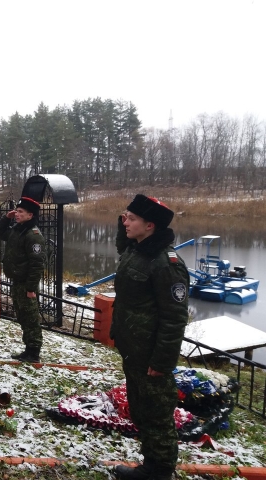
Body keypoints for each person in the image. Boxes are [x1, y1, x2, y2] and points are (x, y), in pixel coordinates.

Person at [110, 194, 189, 480]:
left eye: (131, 219)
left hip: (151, 354)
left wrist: (162, 361)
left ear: (150, 226)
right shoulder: (137, 250)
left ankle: (159, 471)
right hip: (134, 348)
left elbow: (175, 317)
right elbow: (122, 244)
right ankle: (151, 465)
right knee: (142, 409)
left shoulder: (166, 263)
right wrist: (124, 223)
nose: (125, 222)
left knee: (156, 413)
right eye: (125, 218)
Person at [0, 196, 46, 363]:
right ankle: (28, 350)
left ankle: (33, 352)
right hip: (18, 282)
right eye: (16, 211)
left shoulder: (33, 236)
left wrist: (31, 288)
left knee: (31, 318)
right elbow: (1, 233)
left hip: (26, 284)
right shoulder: (18, 230)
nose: (17, 214)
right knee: (23, 316)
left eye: (20, 212)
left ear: (30, 215)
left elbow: (37, 264)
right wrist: (6, 218)